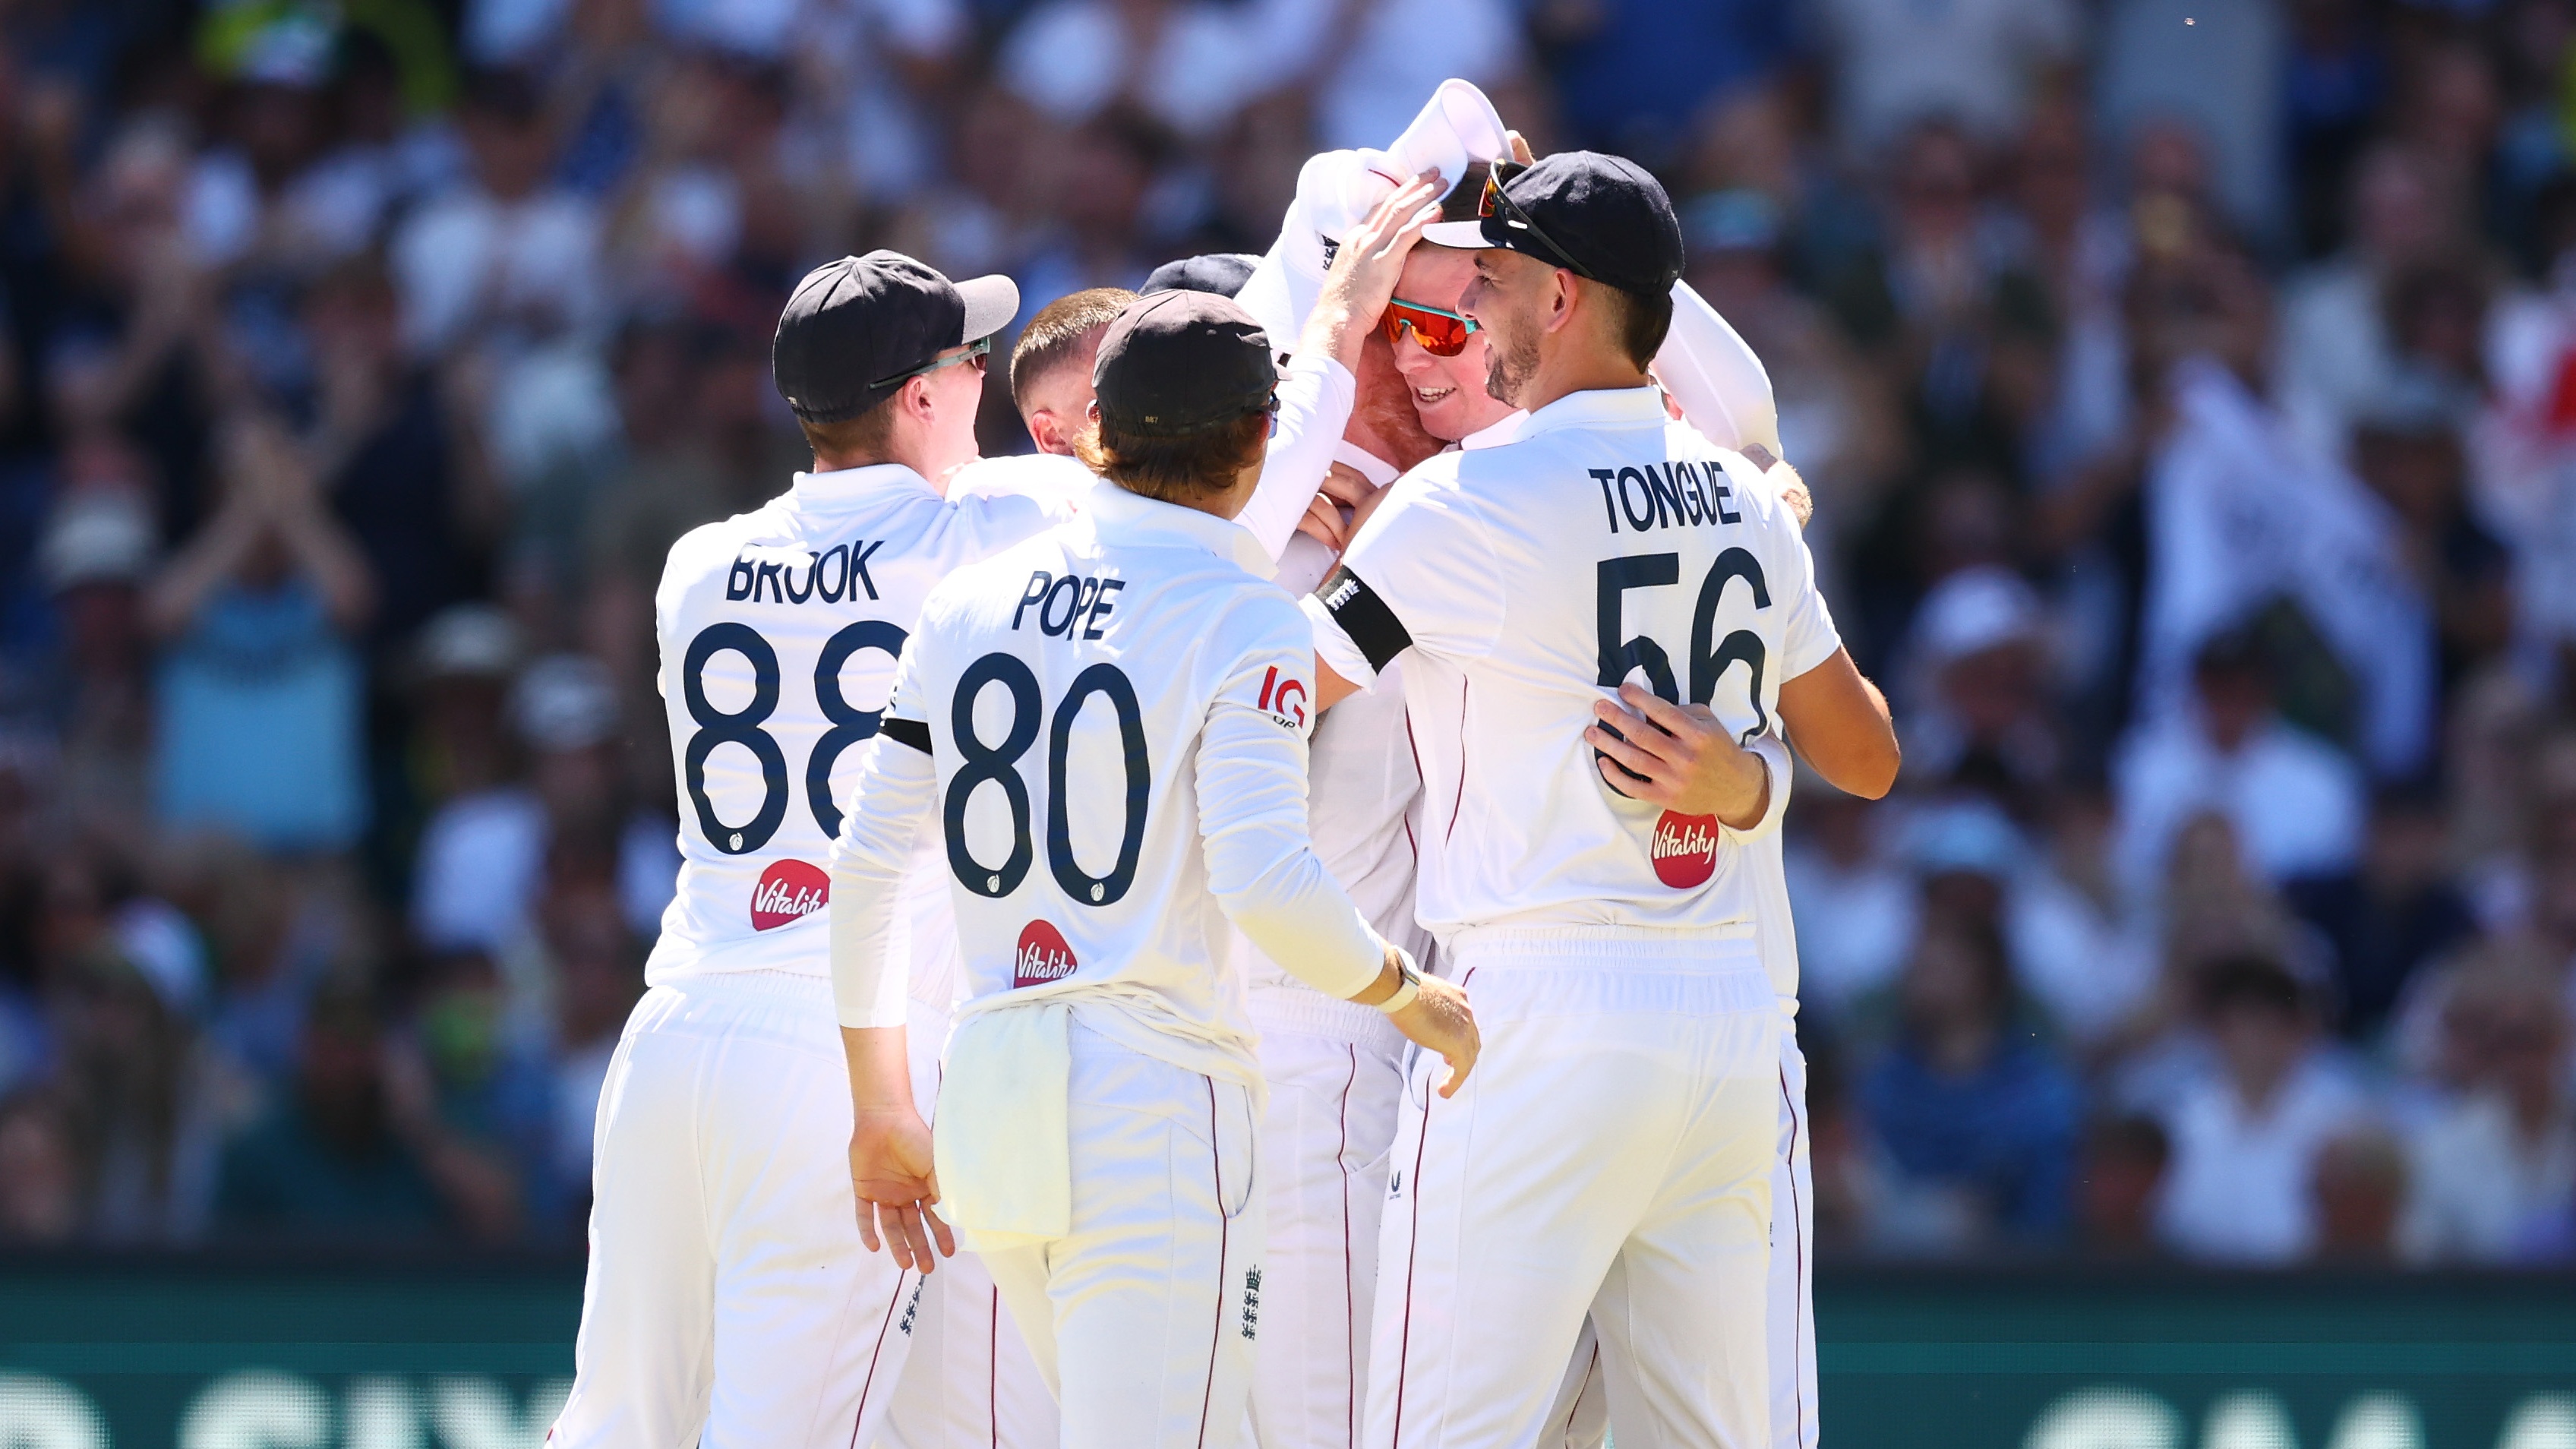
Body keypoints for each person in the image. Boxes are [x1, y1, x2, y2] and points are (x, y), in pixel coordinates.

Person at [1304, 152, 1897, 1447]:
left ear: (1561, 297)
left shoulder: (1463, 502)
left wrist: (1296, 483)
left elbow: (1253, 695)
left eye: (1496, 281)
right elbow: (1869, 756)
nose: (1473, 314)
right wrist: (1754, 783)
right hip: (1733, 1017)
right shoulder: (1744, 492)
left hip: (1536, 1015)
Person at [830, 288, 1479, 1447]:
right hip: (1150, 1098)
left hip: (991, 1092)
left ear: (1097, 433)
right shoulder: (1246, 614)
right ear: (1260, 438)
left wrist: (880, 1103)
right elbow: (1265, 881)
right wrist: (1413, 998)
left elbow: (869, 867)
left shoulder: (969, 604)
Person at [548, 249, 1060, 1449]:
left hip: (678, 1031)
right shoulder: (991, 537)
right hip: (845, 1054)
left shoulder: (698, 564)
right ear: (920, 396)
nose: (984, 380)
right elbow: (1186, 484)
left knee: (617, 1426)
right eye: (968, 360)